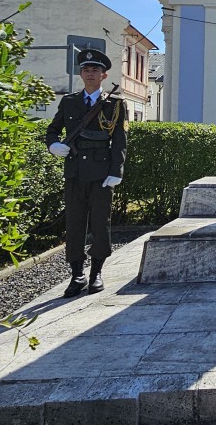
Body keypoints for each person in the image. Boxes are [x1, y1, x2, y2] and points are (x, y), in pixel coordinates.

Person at [45, 48, 127, 297]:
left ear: (104, 75)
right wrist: (53, 145)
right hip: (75, 172)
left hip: (102, 173)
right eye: (86, 70)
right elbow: (53, 129)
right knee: (74, 223)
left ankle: (96, 272)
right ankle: (77, 274)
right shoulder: (69, 101)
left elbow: (120, 140)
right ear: (81, 74)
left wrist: (117, 170)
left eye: (95, 70)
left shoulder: (115, 104)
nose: (90, 73)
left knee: (101, 224)